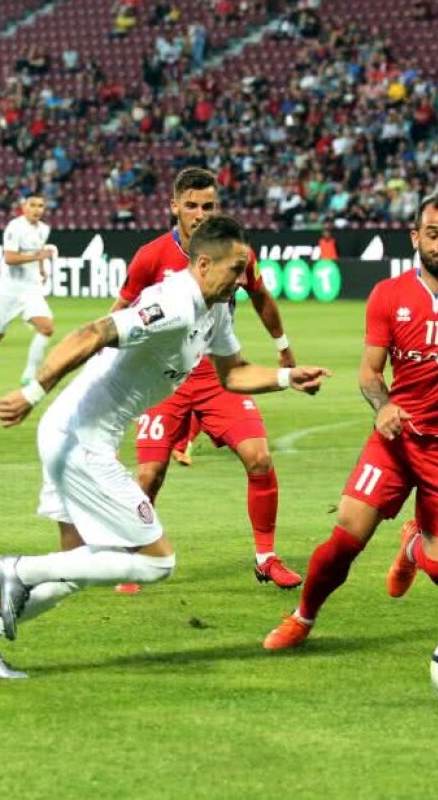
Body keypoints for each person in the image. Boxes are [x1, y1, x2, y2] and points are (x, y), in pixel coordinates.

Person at [0, 216, 330, 678]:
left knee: (75, 568)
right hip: (80, 439)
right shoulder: (173, 303)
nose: (242, 280)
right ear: (204, 263)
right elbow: (90, 333)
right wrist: (31, 393)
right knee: (157, 562)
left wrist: (289, 377)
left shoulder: (216, 310)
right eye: (235, 269)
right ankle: (21, 570)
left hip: (75, 433)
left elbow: (234, 375)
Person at [263, 192, 438, 650]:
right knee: (346, 537)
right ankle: (302, 618)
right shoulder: (388, 295)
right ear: (415, 237)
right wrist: (383, 407)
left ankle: (414, 544)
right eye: (432, 234)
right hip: (395, 441)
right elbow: (369, 373)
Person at [111, 167, 304, 590]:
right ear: (174, 206)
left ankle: (266, 558)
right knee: (149, 475)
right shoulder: (151, 256)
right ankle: (133, 556)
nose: (200, 213)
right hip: (164, 378)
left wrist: (283, 346)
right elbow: (119, 311)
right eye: (192, 205)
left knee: (259, 457)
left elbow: (261, 297)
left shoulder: (236, 254)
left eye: (209, 206)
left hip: (219, 372)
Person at [0, 195, 57, 394]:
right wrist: (38, 257)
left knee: (47, 328)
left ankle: (30, 374)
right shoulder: (14, 228)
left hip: (31, 289)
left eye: (41, 206)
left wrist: (42, 268)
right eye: (33, 205)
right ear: (24, 208)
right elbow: (9, 258)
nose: (37, 209)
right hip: (9, 291)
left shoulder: (44, 229)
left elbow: (40, 249)